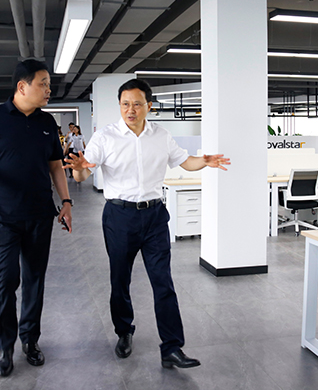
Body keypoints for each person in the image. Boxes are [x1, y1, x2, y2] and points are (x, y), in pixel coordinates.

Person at [64, 78, 230, 369]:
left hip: (154, 216)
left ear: (149, 106)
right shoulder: (105, 137)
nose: (130, 110)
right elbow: (83, 174)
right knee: (120, 280)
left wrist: (204, 161)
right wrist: (78, 170)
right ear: (120, 105)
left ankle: (172, 348)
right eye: (125, 104)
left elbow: (184, 161)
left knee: (163, 282)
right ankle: (124, 331)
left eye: (137, 104)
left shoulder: (161, 135)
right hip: (119, 217)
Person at [0, 59, 73, 378]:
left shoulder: (47, 122)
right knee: (6, 279)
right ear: (22, 86)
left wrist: (66, 202)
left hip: (40, 214)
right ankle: (5, 346)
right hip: (3, 216)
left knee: (35, 279)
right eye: (43, 84)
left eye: (49, 84)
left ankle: (30, 340)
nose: (49, 90)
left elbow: (55, 166)